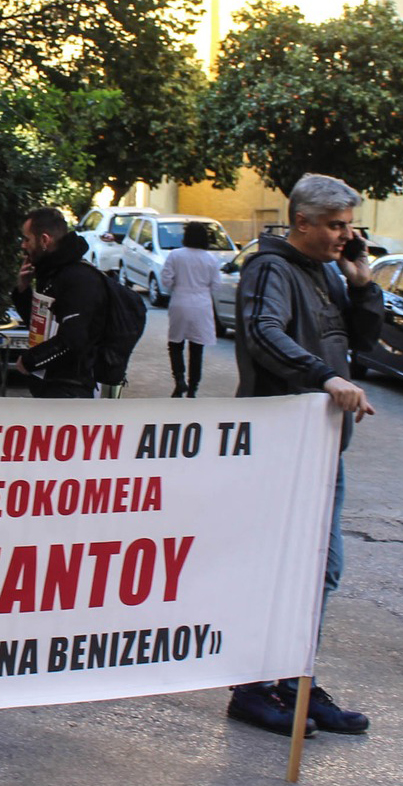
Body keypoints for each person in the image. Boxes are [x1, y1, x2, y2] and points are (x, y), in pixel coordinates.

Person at [229, 173, 380, 737]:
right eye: (336, 226)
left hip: (321, 447)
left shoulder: (328, 273)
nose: (346, 235)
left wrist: (362, 286)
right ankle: (252, 688)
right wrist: (324, 377)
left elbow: (362, 343)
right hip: (280, 447)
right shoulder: (270, 269)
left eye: (349, 226)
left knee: (321, 571)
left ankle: (295, 681)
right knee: (278, 570)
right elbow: (263, 333)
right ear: (302, 222)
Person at [11, 206, 108, 399]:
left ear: (44, 240)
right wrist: (22, 290)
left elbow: (73, 340)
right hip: (49, 384)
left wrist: (30, 361)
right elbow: (40, 325)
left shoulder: (77, 277)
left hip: (70, 390)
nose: (23, 245)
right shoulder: (51, 273)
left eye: (27, 239)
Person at [159, 220, 222, 397]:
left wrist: (177, 284)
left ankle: (179, 379)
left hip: (180, 301)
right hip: (202, 304)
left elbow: (166, 280)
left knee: (175, 343)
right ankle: (193, 388)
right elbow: (216, 285)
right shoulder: (211, 259)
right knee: (197, 348)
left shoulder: (175, 255)